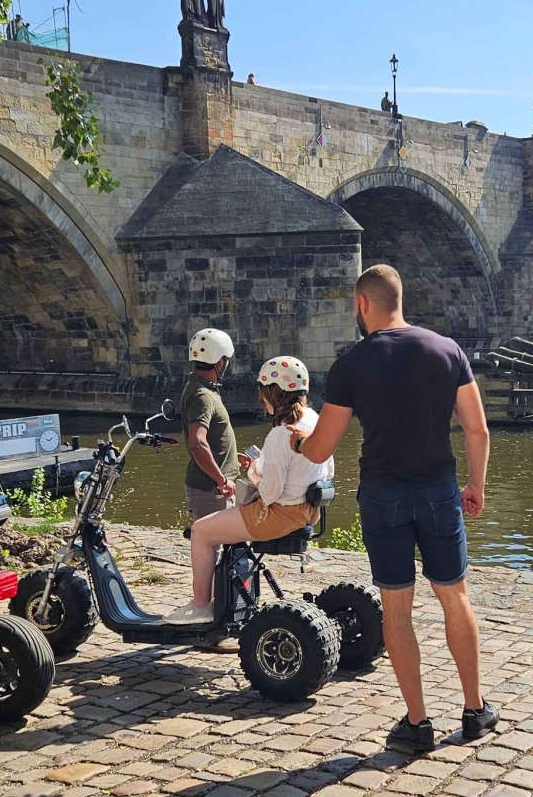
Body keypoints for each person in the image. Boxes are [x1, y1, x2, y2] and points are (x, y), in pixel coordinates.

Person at [292, 264, 497, 750]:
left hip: (383, 495)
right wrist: (475, 485)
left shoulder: (351, 365)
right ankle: (474, 710)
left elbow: (321, 450)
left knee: (397, 607)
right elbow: (477, 430)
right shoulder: (448, 351)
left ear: (363, 305)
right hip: (439, 491)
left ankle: (417, 722)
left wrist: (298, 442)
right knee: (455, 597)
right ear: (400, 299)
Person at [168, 357, 333, 624]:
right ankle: (228, 599)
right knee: (222, 526)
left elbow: (270, 492)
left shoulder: (281, 434)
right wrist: (263, 464)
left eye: (262, 392)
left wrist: (254, 472)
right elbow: (328, 471)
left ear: (272, 392)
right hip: (309, 511)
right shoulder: (314, 420)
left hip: (277, 514)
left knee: (201, 531)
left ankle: (201, 606)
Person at [181, 328, 240, 520]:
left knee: (221, 544)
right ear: (219, 362)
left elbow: (212, 437)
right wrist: (221, 480)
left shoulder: (203, 388)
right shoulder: (203, 395)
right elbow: (197, 443)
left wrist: (231, 455)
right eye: (226, 361)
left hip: (213, 486)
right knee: (210, 548)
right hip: (211, 489)